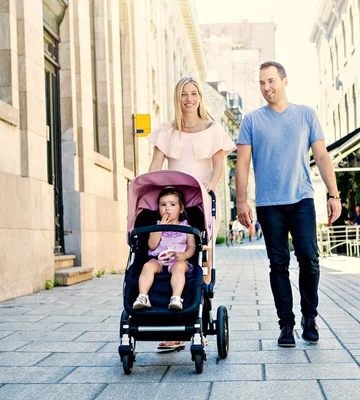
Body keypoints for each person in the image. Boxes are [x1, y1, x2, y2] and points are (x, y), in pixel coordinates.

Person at [236, 61, 341, 348]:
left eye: (271, 81)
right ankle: (286, 324)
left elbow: (321, 156)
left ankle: (310, 317)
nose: (266, 87)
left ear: (284, 81)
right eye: (261, 83)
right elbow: (242, 163)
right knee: (278, 264)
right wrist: (242, 201)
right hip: (269, 205)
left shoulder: (306, 115)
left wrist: (334, 195)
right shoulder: (252, 121)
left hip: (301, 199)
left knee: (309, 257)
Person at [146, 76, 236, 350]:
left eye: (194, 93)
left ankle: (195, 316)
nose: (189, 98)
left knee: (201, 260)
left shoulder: (213, 129)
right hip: (173, 202)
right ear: (178, 98)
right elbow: (155, 167)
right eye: (184, 94)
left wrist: (210, 187)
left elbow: (219, 165)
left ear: (200, 97)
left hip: (201, 202)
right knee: (165, 259)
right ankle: (171, 323)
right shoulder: (167, 131)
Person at [133, 187, 195, 311]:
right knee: (147, 266)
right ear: (158, 209)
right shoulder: (156, 226)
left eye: (172, 204)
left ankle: (176, 297)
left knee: (179, 267)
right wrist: (160, 227)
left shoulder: (186, 227)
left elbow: (192, 246)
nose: (167, 208)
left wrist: (185, 255)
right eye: (163, 205)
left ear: (181, 209)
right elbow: (152, 245)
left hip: (178, 259)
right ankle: (143, 296)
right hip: (159, 259)